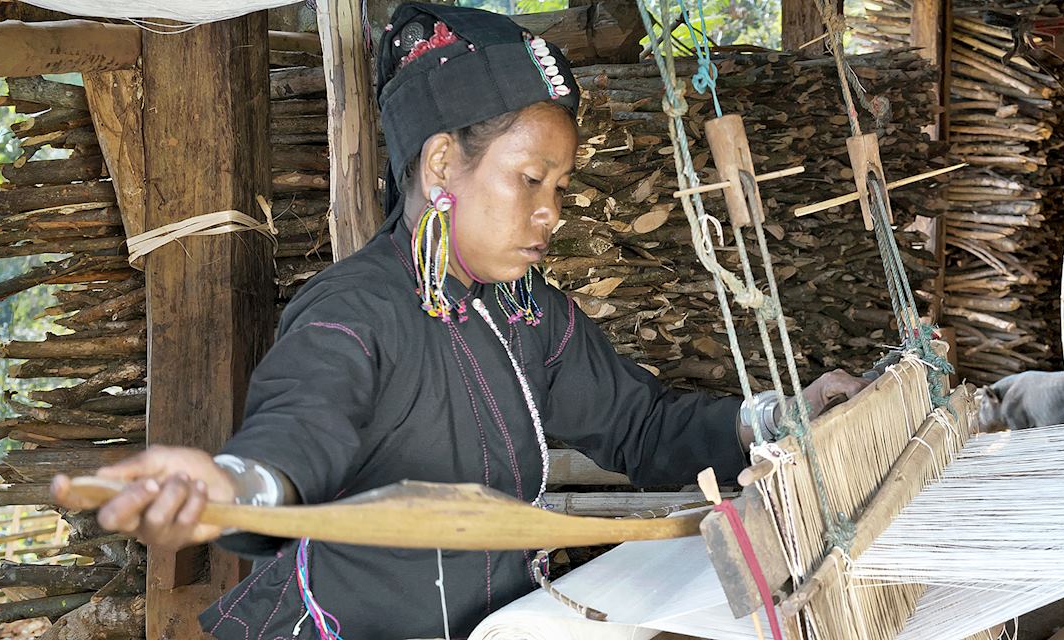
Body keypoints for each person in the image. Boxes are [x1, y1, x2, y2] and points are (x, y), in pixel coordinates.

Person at [49, 5, 868, 638]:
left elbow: (642, 424)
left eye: (560, 188)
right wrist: (235, 486)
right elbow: (299, 429)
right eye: (530, 179)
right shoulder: (356, 312)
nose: (550, 212)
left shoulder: (527, 312)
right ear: (444, 164)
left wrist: (781, 417)